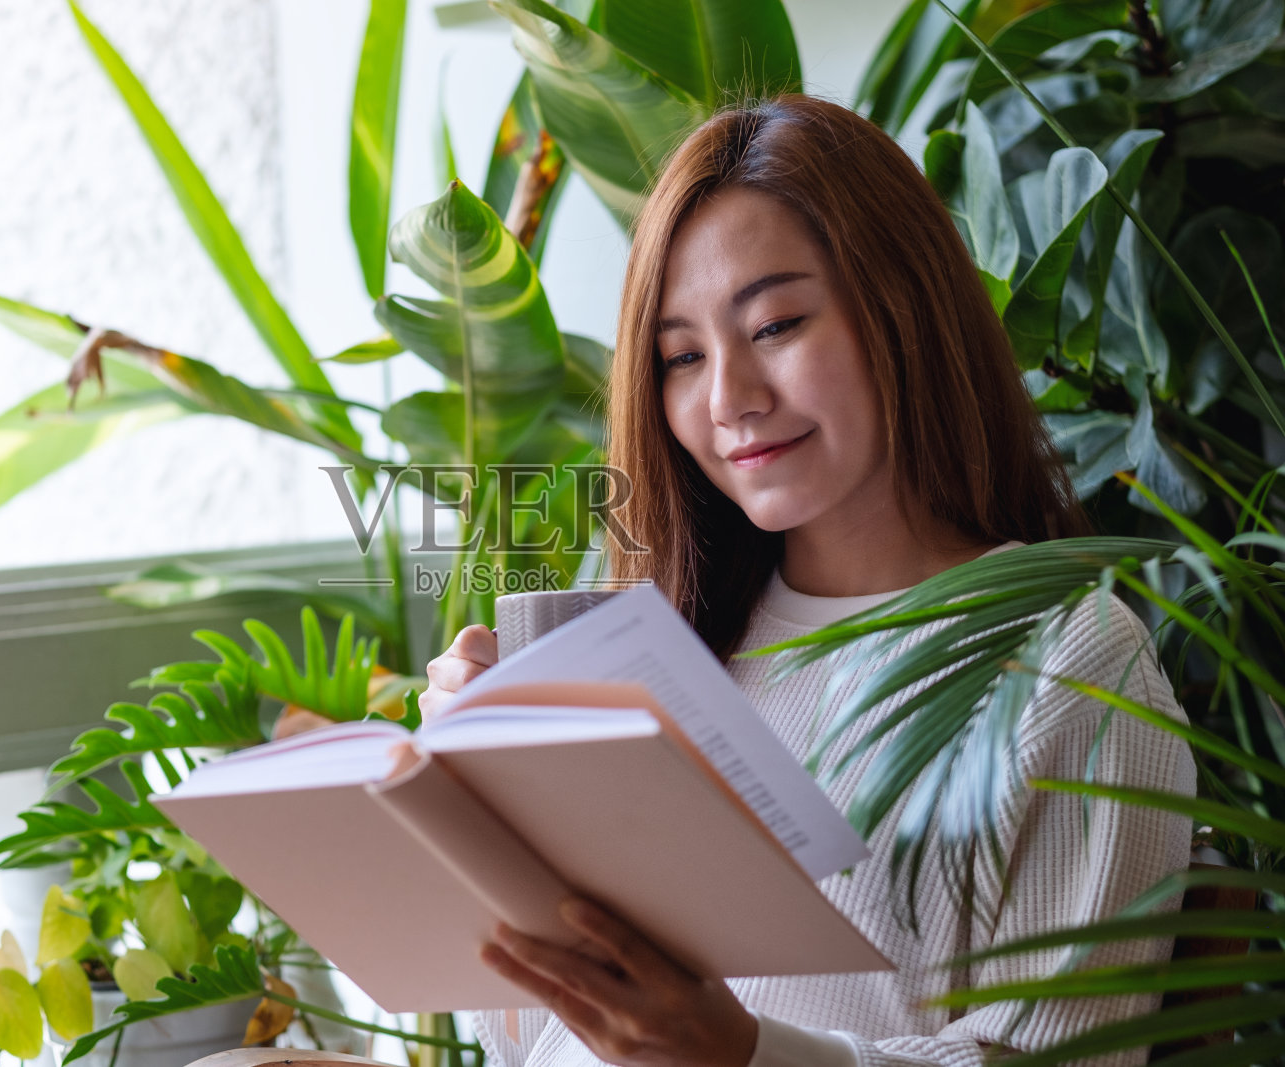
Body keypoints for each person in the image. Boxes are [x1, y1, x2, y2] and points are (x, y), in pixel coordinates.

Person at [418, 96, 1197, 1067]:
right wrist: (478, 794)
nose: (727, 398)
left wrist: (741, 1053)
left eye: (776, 323)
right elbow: (529, 1032)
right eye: (682, 355)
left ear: (901, 307)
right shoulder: (644, 644)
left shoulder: (1067, 661)